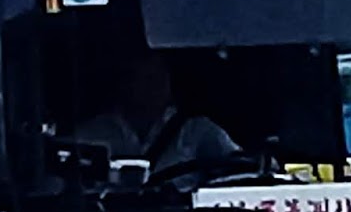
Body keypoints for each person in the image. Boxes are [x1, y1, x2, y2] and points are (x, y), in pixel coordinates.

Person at [71, 49, 239, 184]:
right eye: (145, 78)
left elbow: (239, 172)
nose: (155, 86)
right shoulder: (90, 135)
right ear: (124, 82)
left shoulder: (199, 132)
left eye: (160, 76)